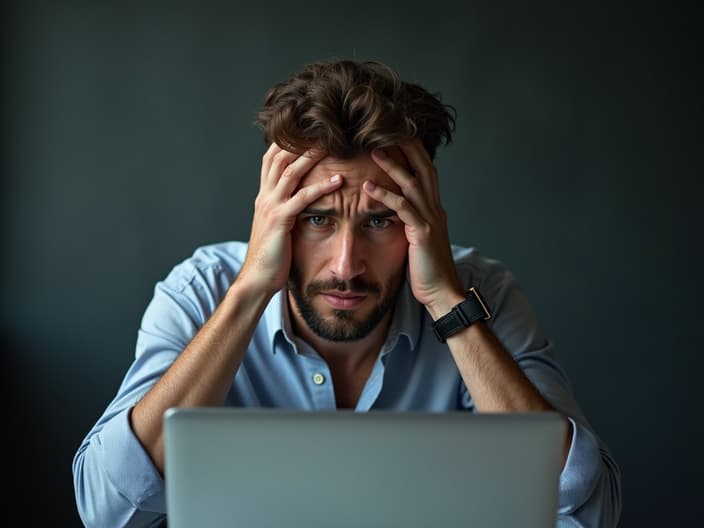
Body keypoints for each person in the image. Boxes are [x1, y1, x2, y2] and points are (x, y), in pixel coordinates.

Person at [72, 59, 622, 527]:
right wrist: (247, 295)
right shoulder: (202, 290)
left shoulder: (481, 295)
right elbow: (106, 504)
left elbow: (586, 507)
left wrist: (447, 304)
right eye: (316, 219)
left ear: (423, 218)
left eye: (381, 221)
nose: (346, 265)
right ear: (273, 215)